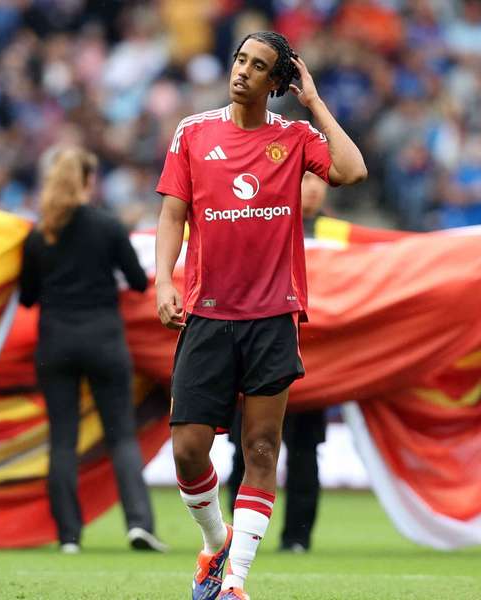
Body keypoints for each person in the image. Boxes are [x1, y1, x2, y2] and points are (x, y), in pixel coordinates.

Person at [155, 31, 367, 600]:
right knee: (188, 448)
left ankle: (234, 583)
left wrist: (315, 103)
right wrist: (162, 281)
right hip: (207, 312)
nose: (243, 71)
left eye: (258, 66)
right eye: (240, 60)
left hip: (274, 315)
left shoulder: (296, 136)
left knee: (263, 449)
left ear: (278, 82)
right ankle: (214, 543)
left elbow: (351, 170)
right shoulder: (193, 132)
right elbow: (173, 213)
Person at [18, 147, 166, 554]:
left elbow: (27, 297)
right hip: (104, 341)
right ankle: (139, 524)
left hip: (55, 345)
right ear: (88, 181)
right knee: (120, 435)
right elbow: (138, 282)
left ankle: (68, 535)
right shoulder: (107, 226)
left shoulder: (39, 234)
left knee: (63, 439)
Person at [226, 172, 330, 554]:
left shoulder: (341, 237)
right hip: (259, 353)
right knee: (249, 447)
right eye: (306, 180)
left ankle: (297, 538)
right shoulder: (258, 222)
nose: (316, 188)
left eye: (320, 181)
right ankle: (236, 532)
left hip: (317, 365)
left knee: (304, 451)